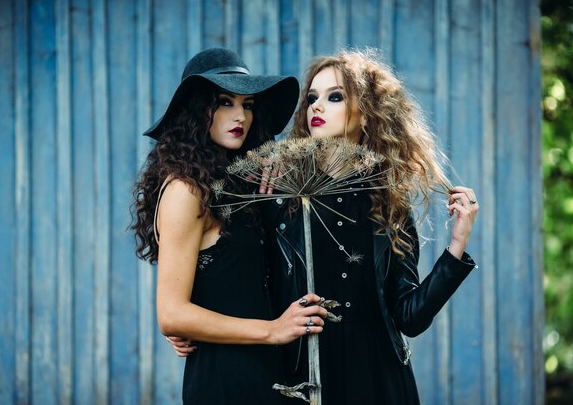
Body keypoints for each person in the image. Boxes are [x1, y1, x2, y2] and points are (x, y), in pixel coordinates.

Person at [266, 48, 480, 404]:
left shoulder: (388, 207)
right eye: (312, 98)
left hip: (380, 378)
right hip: (306, 375)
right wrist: (197, 325)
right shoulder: (282, 198)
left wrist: (456, 247)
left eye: (335, 97)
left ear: (365, 114)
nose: (317, 106)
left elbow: (409, 317)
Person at [131, 47, 328, 405]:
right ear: (197, 112)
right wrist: (272, 330)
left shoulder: (242, 187)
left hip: (272, 373)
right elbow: (172, 314)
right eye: (225, 102)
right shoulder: (186, 190)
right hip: (226, 381)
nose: (240, 115)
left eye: (248, 104)